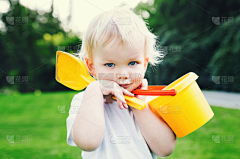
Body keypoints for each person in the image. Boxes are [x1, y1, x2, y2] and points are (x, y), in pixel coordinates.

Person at [66, 6, 176, 159]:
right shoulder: (85, 101)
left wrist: (140, 106)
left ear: (144, 64)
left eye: (133, 63)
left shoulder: (151, 102)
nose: (123, 75)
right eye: (110, 65)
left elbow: (165, 149)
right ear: (92, 67)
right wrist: (94, 89)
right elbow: (88, 142)